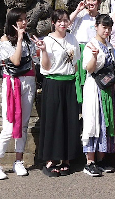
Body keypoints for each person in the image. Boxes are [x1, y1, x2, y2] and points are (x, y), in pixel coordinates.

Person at [0, 8, 38, 180]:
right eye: (20, 20)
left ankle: (19, 161)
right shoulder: (4, 40)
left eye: (25, 19)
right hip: (12, 84)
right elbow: (15, 61)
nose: (24, 23)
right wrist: (21, 39)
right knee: (9, 126)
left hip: (28, 82)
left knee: (23, 124)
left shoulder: (29, 38)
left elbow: (33, 60)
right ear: (12, 22)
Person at [37, 9, 81, 177]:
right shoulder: (47, 40)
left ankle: (67, 159)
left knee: (69, 121)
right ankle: (51, 159)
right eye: (59, 21)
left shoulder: (72, 39)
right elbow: (46, 67)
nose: (63, 23)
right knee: (53, 121)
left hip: (69, 82)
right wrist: (43, 50)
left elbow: (76, 63)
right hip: (53, 83)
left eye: (65, 20)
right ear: (53, 22)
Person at [81, 14, 115, 177]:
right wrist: (95, 56)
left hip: (108, 87)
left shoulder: (110, 46)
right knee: (93, 121)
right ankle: (90, 161)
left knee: (105, 121)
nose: (106, 30)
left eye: (109, 27)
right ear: (96, 26)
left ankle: (101, 158)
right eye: (104, 27)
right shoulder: (91, 45)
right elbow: (88, 69)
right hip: (95, 87)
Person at [70, 0, 101, 98]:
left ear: (99, 2)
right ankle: (79, 102)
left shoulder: (101, 18)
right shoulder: (81, 15)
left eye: (93, 0)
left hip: (94, 50)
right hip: (79, 48)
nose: (90, 3)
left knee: (91, 76)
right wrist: (78, 9)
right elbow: (66, 23)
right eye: (88, 0)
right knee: (78, 77)